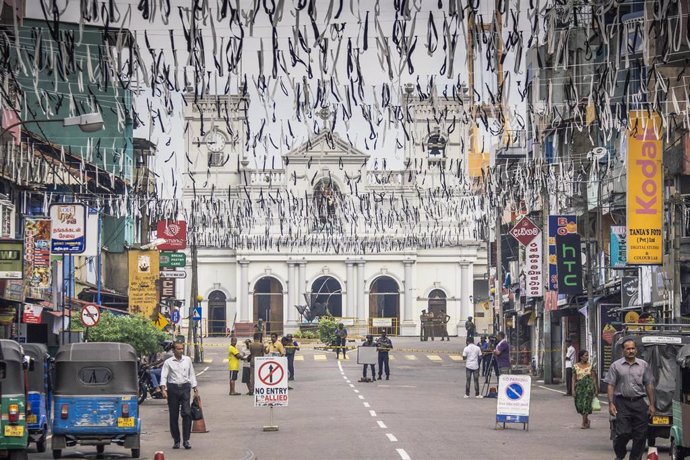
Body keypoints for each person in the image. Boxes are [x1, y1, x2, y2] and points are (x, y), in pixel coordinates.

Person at [605, 338, 655, 460]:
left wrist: (651, 404)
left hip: (639, 403)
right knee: (623, 433)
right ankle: (620, 454)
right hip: (622, 403)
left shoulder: (643, 365)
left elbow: (649, 384)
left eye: (633, 348)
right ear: (623, 350)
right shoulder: (616, 366)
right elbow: (610, 385)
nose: (631, 351)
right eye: (628, 349)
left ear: (636, 350)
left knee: (640, 435)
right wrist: (611, 403)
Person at [160, 342, 198, 450]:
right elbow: (164, 375)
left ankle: (186, 440)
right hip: (173, 389)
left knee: (187, 413)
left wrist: (195, 387)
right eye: (178, 349)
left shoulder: (187, 360)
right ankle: (176, 440)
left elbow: (192, 374)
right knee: (174, 415)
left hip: (185, 388)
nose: (181, 350)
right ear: (174, 350)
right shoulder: (168, 362)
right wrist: (163, 389)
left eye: (182, 349)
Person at [573, 349, 598, 429]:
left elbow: (594, 378)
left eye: (587, 355)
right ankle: (587, 420)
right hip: (579, 388)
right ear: (581, 357)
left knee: (586, 405)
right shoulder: (576, 366)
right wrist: (573, 390)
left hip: (588, 388)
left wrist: (596, 389)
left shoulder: (591, 366)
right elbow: (573, 379)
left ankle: (583, 423)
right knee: (579, 406)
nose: (587, 357)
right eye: (585, 355)